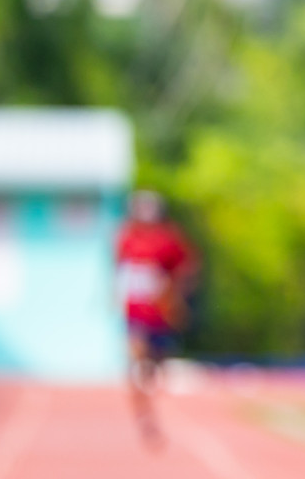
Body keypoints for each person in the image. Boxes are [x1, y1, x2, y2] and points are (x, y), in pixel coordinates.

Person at [115, 190, 197, 446]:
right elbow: (121, 270)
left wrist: (175, 296)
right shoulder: (126, 238)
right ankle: (144, 416)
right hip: (135, 314)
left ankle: (151, 400)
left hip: (161, 315)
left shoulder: (170, 240)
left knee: (156, 368)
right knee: (136, 362)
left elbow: (188, 268)